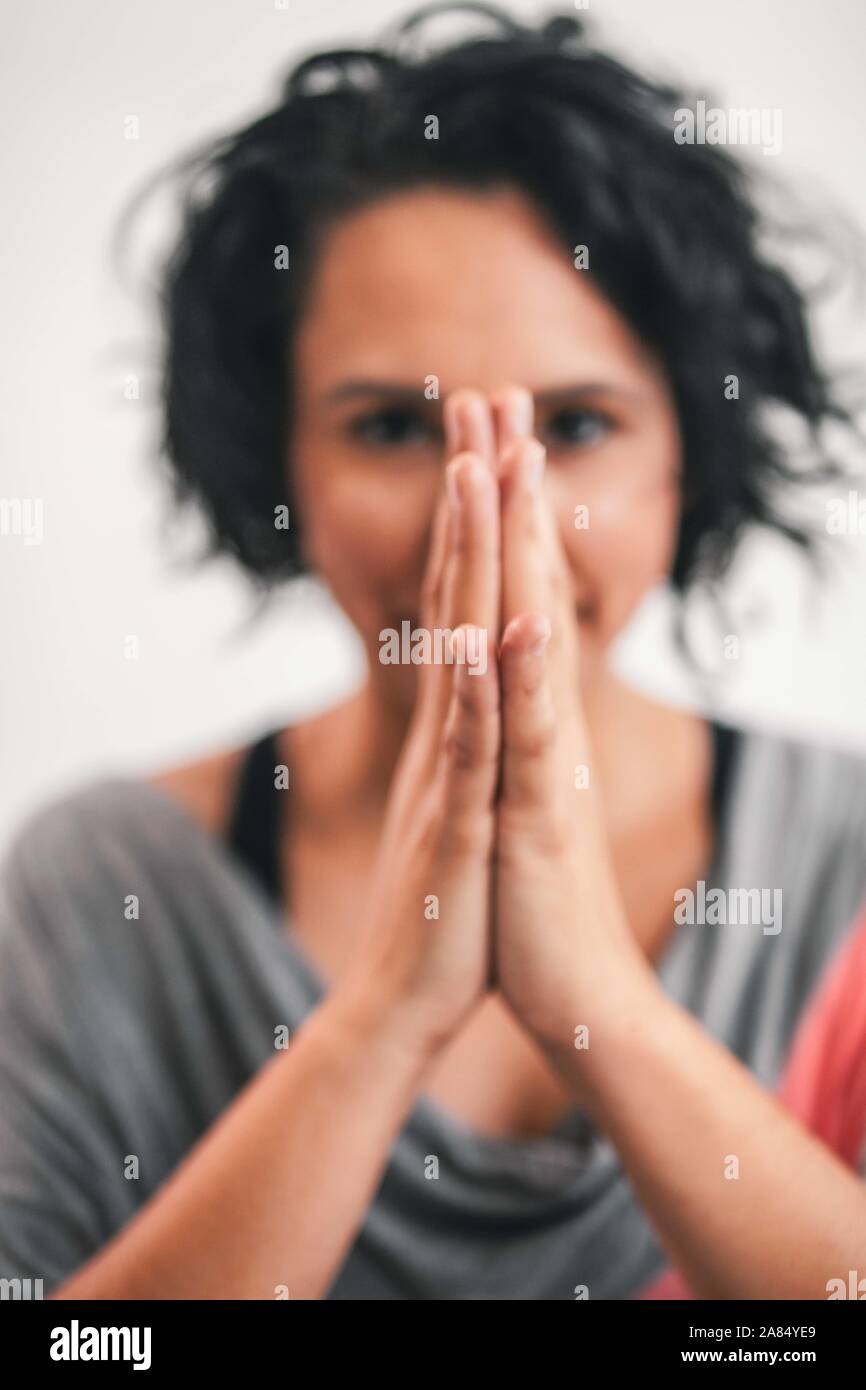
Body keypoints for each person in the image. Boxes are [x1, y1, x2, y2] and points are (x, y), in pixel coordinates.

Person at [2, 4, 866, 1300]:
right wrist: (380, 1021)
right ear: (275, 455)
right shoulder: (105, 887)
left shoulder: (844, 854)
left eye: (575, 425)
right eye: (393, 428)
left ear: (685, 455)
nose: (489, 507)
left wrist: (597, 1004)